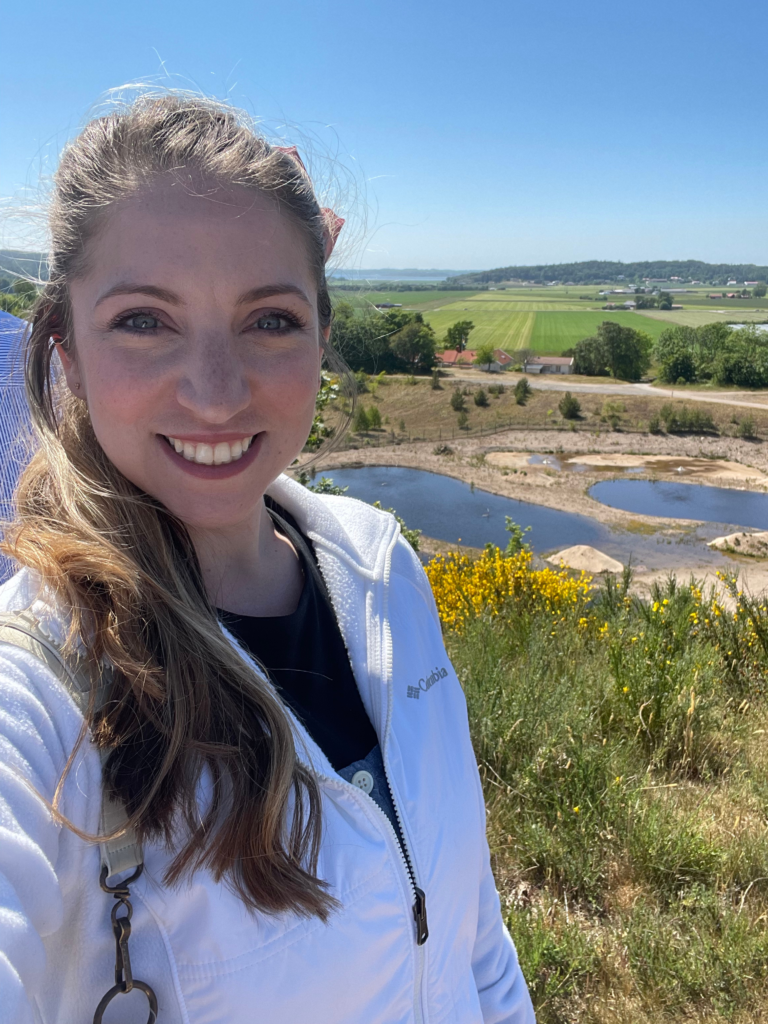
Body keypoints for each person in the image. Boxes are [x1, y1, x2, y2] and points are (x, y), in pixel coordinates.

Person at [0, 93, 534, 1024]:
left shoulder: (380, 567)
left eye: (270, 320)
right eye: (143, 321)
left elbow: (472, 932)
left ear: (324, 337)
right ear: (66, 351)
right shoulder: (40, 686)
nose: (215, 391)